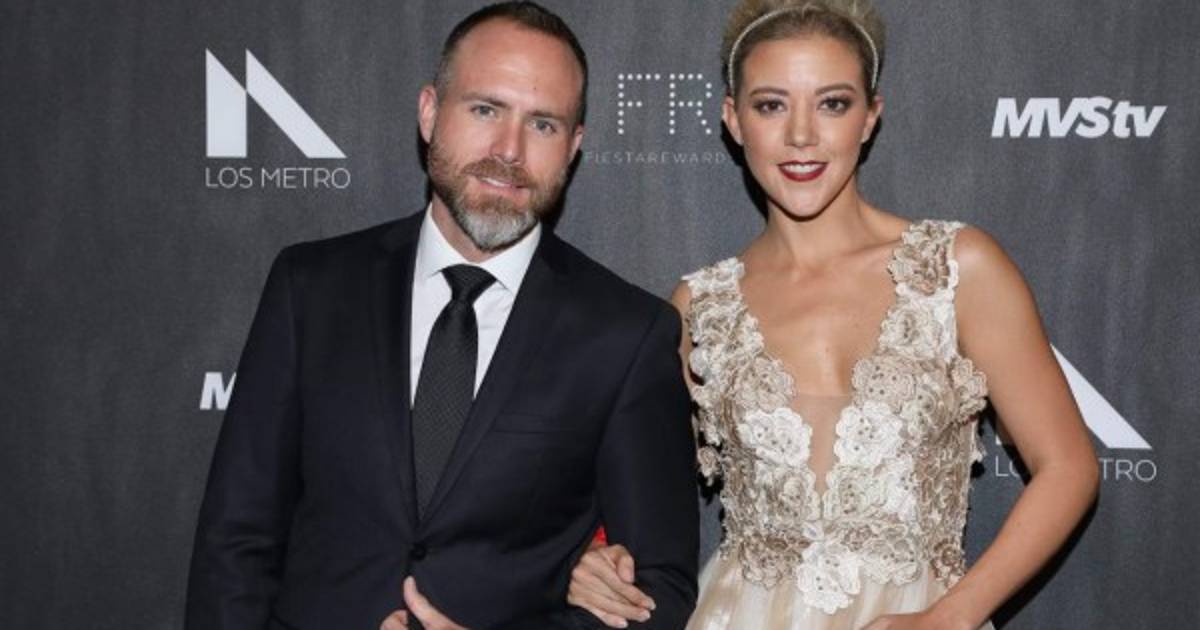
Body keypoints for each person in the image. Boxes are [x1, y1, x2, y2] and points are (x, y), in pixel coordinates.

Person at [565, 0, 1099, 628]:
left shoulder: (957, 269)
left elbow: (1068, 467)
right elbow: (634, 497)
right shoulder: (698, 308)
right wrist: (590, 554)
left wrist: (953, 616)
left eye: (832, 104)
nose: (801, 135)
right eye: (771, 105)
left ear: (870, 116)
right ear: (734, 120)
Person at [185, 3, 699, 629]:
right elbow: (236, 542)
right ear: (430, 113)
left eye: (542, 124)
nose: (508, 150)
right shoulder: (311, 288)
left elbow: (659, 588)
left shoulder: (625, 333)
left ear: (573, 146)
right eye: (485, 110)